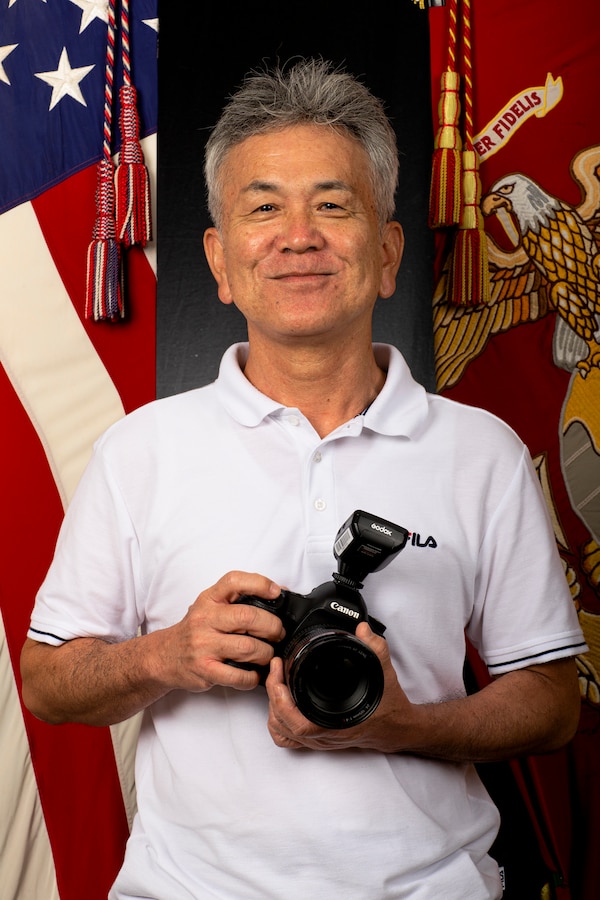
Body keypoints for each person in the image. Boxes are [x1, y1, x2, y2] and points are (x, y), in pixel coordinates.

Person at [21, 58, 586, 899]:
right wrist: (169, 654)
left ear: (388, 251)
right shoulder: (141, 449)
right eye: (262, 208)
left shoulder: (482, 450)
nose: (298, 236)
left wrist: (402, 725)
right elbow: (47, 681)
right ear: (219, 260)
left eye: (332, 204)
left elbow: (551, 701)